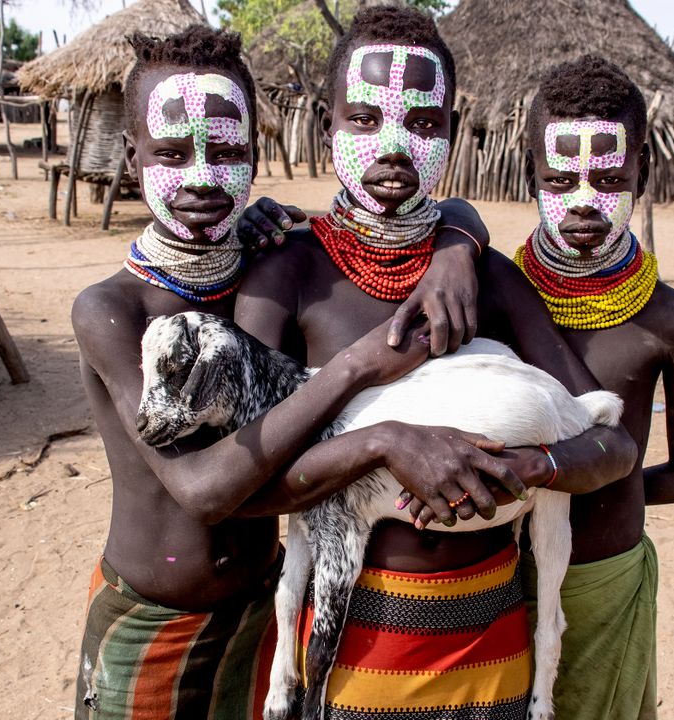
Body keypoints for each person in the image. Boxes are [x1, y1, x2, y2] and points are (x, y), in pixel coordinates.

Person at [69, 24, 509, 720]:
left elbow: (444, 208)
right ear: (131, 155)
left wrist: (457, 242)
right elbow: (205, 491)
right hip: (153, 617)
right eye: (172, 154)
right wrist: (360, 373)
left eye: (228, 153)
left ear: (254, 154)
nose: (202, 178)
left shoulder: (259, 266)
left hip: (265, 607)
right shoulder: (111, 310)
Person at [233, 9, 637, 718]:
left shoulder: (490, 280)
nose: (392, 147)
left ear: (452, 131)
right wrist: (386, 446)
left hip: (493, 647)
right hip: (346, 649)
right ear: (326, 125)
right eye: (364, 120)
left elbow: (611, 442)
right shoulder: (288, 276)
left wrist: (534, 467)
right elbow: (243, 481)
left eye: (421, 126)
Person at [510, 55, 674, 719]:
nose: (583, 202)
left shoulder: (673, 321)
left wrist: (600, 484)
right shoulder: (491, 295)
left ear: (643, 174)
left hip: (607, 585)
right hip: (495, 583)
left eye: (609, 178)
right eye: (559, 179)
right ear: (529, 176)